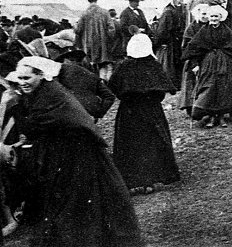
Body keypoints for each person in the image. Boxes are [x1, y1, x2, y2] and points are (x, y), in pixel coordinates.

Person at [2, 56, 144, 246]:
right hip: (64, 152)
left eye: (27, 78)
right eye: (19, 79)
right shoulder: (40, 93)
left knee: (77, 199)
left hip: (76, 154)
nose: (22, 83)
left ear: (41, 75)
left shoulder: (51, 95)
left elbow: (36, 126)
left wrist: (18, 108)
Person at [108, 34, 180, 195]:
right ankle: (153, 179)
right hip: (152, 111)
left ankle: (133, 181)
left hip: (129, 112)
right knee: (152, 143)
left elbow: (113, 88)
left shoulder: (124, 66)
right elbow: (162, 90)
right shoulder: (153, 66)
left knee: (130, 144)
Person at [183, 4, 232, 127]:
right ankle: (211, 116)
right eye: (211, 16)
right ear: (209, 17)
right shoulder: (204, 30)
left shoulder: (226, 30)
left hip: (224, 62)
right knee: (209, 87)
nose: (213, 19)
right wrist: (195, 65)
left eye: (216, 16)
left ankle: (221, 116)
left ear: (220, 17)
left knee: (223, 87)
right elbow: (195, 47)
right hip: (208, 62)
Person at [48, 45, 116, 120]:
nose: (74, 63)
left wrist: (99, 112)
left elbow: (109, 96)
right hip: (85, 116)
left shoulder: (55, 78)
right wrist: (99, 112)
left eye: (77, 60)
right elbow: (109, 96)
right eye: (71, 60)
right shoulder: (90, 75)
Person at [75, 0, 117, 81]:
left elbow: (78, 30)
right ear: (97, 0)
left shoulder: (84, 14)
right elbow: (111, 29)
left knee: (91, 65)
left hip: (89, 45)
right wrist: (109, 40)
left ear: (88, 1)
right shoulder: (105, 12)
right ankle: (105, 84)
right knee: (104, 64)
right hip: (103, 44)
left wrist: (74, 28)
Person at [155, 0, 188, 88]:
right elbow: (162, 29)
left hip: (177, 41)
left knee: (176, 63)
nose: (181, 0)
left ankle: (176, 84)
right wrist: (162, 41)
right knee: (170, 64)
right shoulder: (168, 11)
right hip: (171, 42)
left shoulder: (180, 10)